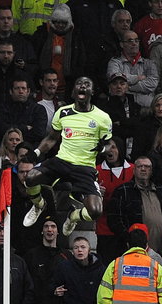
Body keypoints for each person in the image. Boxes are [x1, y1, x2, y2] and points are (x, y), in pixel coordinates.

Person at [22, 77, 112, 237]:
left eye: (87, 84)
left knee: (95, 211)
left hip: (85, 168)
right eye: (79, 83)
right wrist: (35, 153)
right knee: (30, 178)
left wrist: (103, 148)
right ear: (73, 92)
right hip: (61, 161)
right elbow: (51, 138)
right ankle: (38, 205)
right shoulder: (63, 112)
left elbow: (109, 144)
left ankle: (73, 216)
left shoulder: (102, 117)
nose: (83, 86)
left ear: (92, 91)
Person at [107, 156, 162, 252]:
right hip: (132, 248)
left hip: (161, 248)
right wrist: (130, 238)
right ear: (133, 170)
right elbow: (114, 220)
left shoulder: (161, 192)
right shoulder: (122, 191)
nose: (143, 169)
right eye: (139, 166)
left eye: (147, 167)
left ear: (151, 171)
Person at [96, 136, 135, 264]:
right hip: (105, 228)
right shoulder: (97, 171)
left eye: (113, 147)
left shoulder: (133, 169)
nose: (109, 150)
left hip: (129, 227)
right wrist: (98, 195)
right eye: (107, 147)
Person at [52, 236, 104, 304]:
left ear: (89, 250)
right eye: (76, 248)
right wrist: (55, 291)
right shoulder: (64, 268)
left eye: (83, 247)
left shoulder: (100, 269)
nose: (79, 250)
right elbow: (53, 285)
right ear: (72, 251)